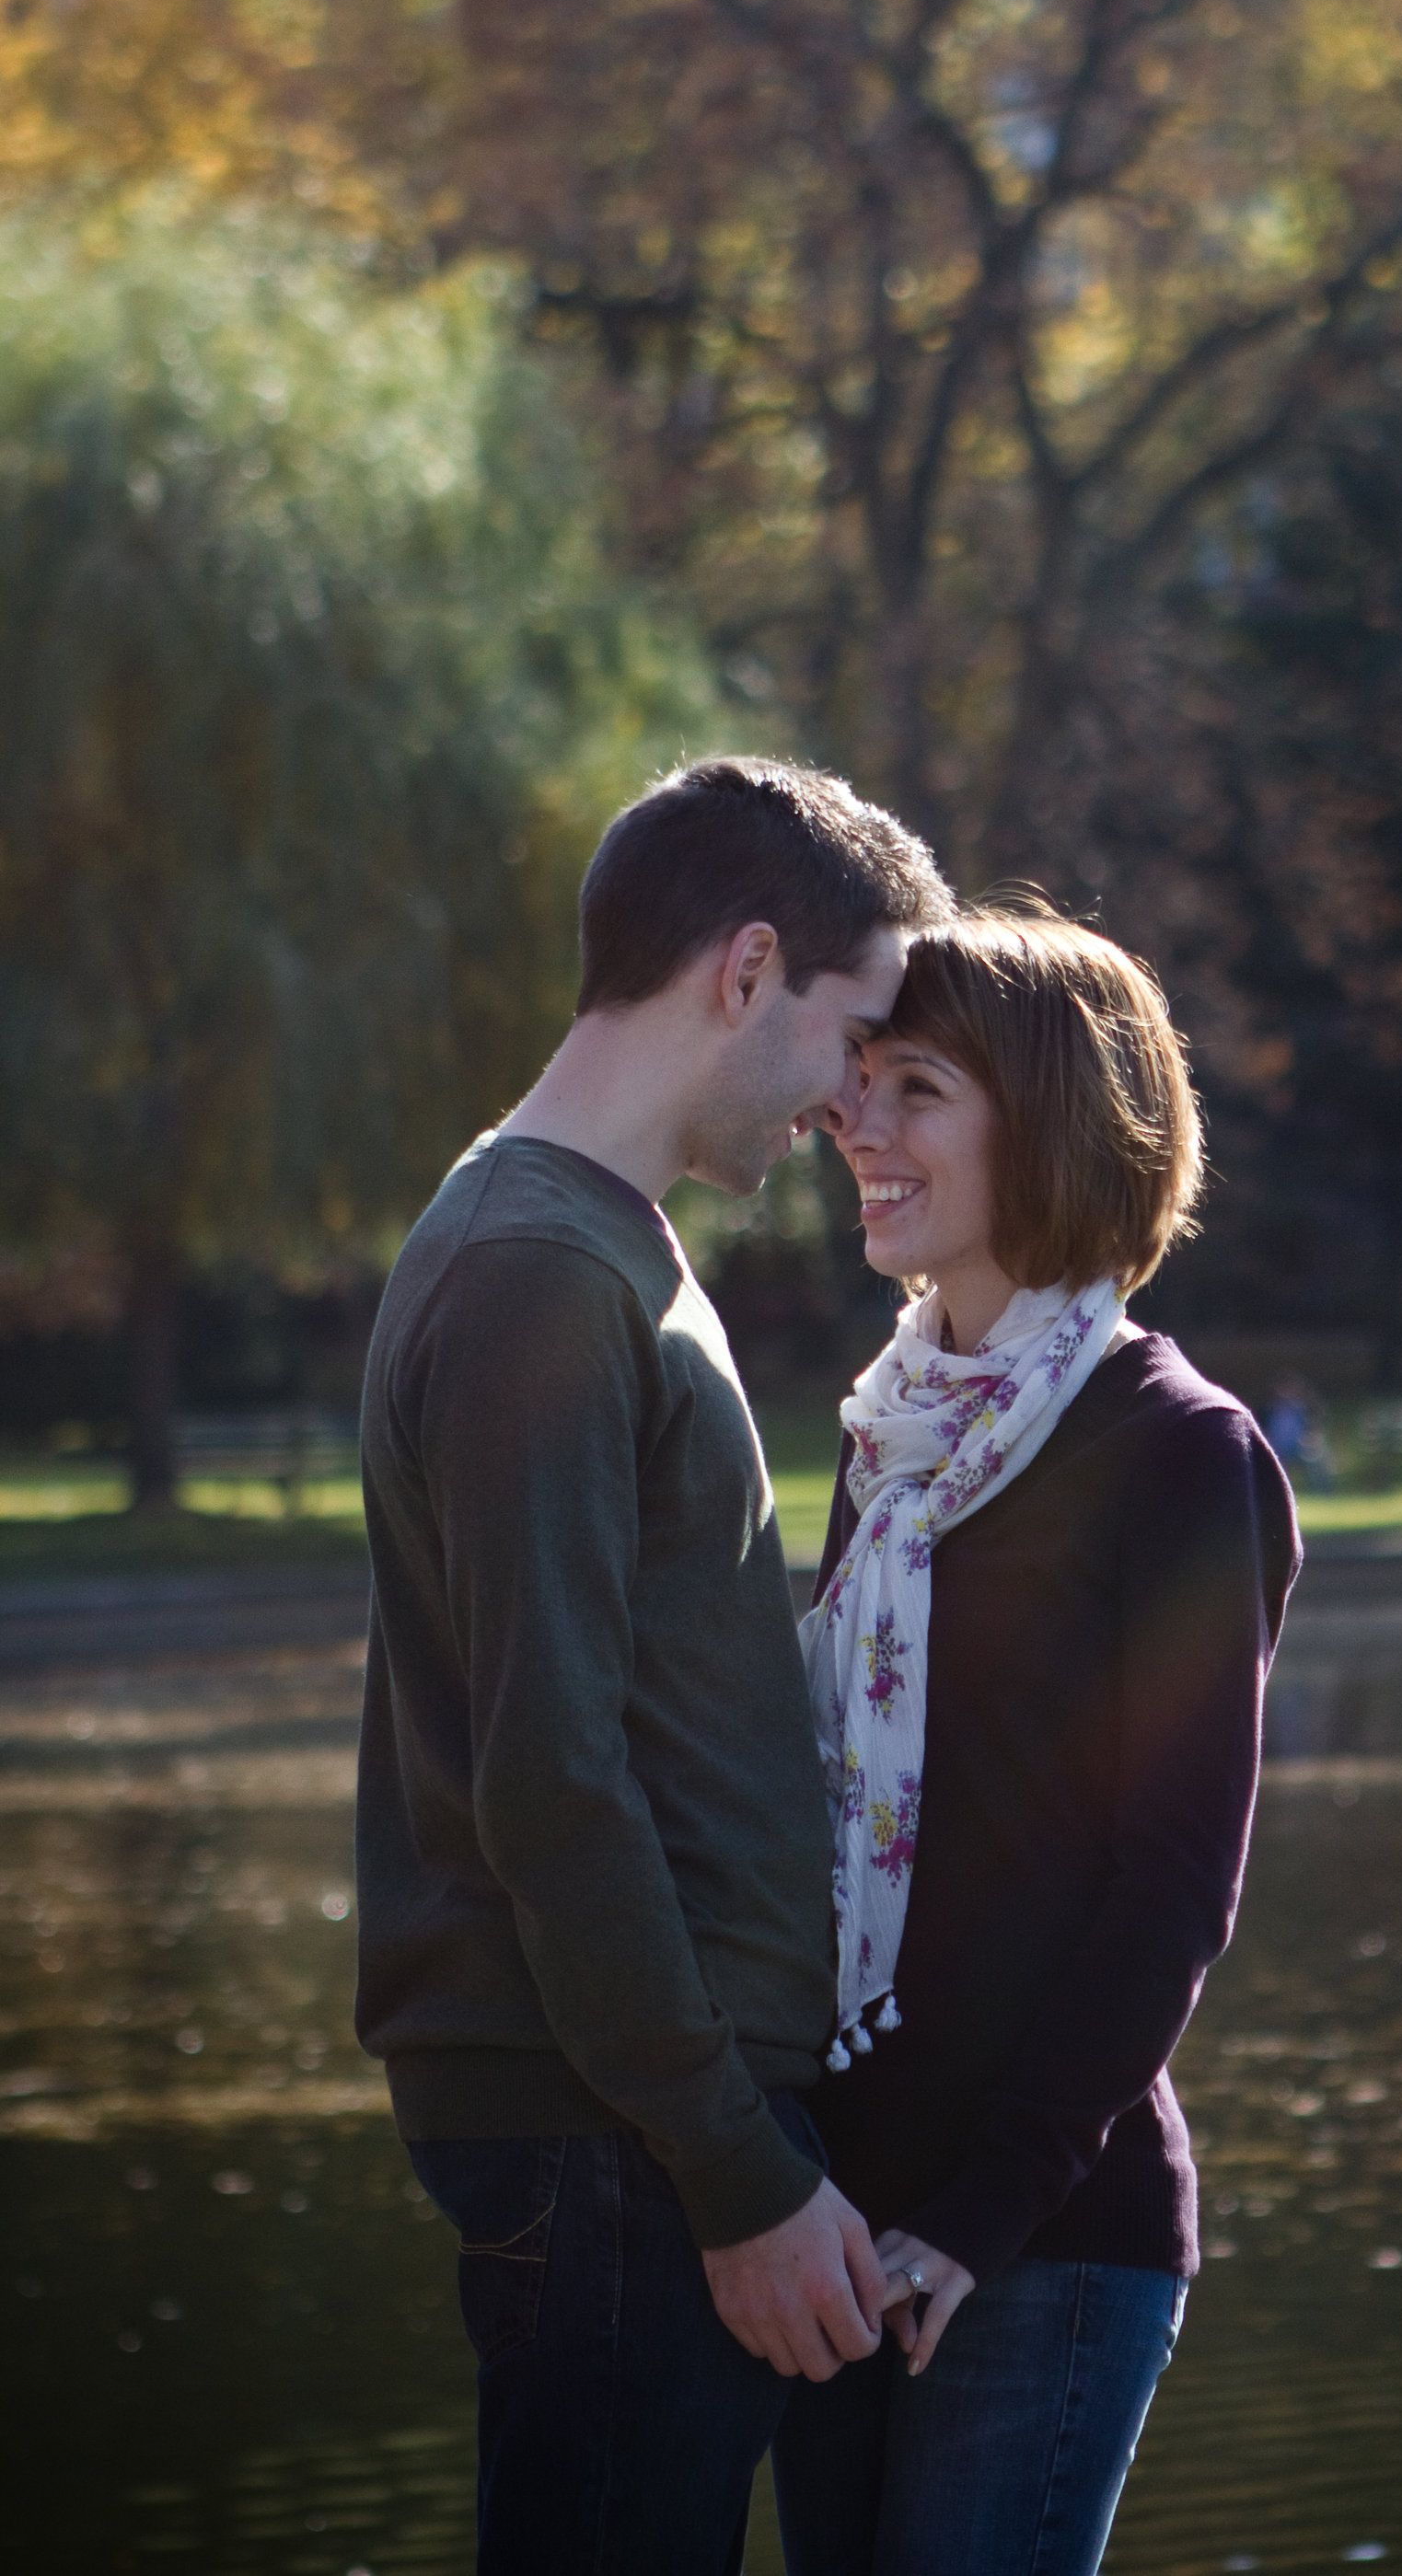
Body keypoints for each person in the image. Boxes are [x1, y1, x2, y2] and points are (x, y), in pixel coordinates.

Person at [354, 756, 954, 2576]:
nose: (851, 1094)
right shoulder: (539, 1271)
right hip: (609, 2125)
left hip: (635, 2113)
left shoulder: (594, 1240)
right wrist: (735, 2167)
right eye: (853, 1031)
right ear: (746, 967)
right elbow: (553, 1779)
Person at [769, 910, 1302, 2576]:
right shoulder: (887, 1438)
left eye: (915, 1087)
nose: (857, 1126)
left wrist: (977, 2222)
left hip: (1045, 2238)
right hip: (837, 2229)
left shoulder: (1181, 1454)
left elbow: (1171, 1897)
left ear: (1053, 1117)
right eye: (861, 1083)